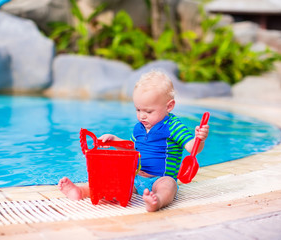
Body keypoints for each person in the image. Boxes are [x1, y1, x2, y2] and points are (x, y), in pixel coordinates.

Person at [58, 70, 209, 212]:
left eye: (148, 111)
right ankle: (81, 191)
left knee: (169, 185)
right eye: (138, 110)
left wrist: (199, 139)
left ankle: (158, 200)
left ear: (169, 106)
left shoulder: (173, 126)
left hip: (160, 179)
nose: (142, 116)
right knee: (110, 180)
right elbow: (132, 151)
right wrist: (115, 140)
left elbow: (192, 148)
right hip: (135, 177)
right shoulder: (139, 128)